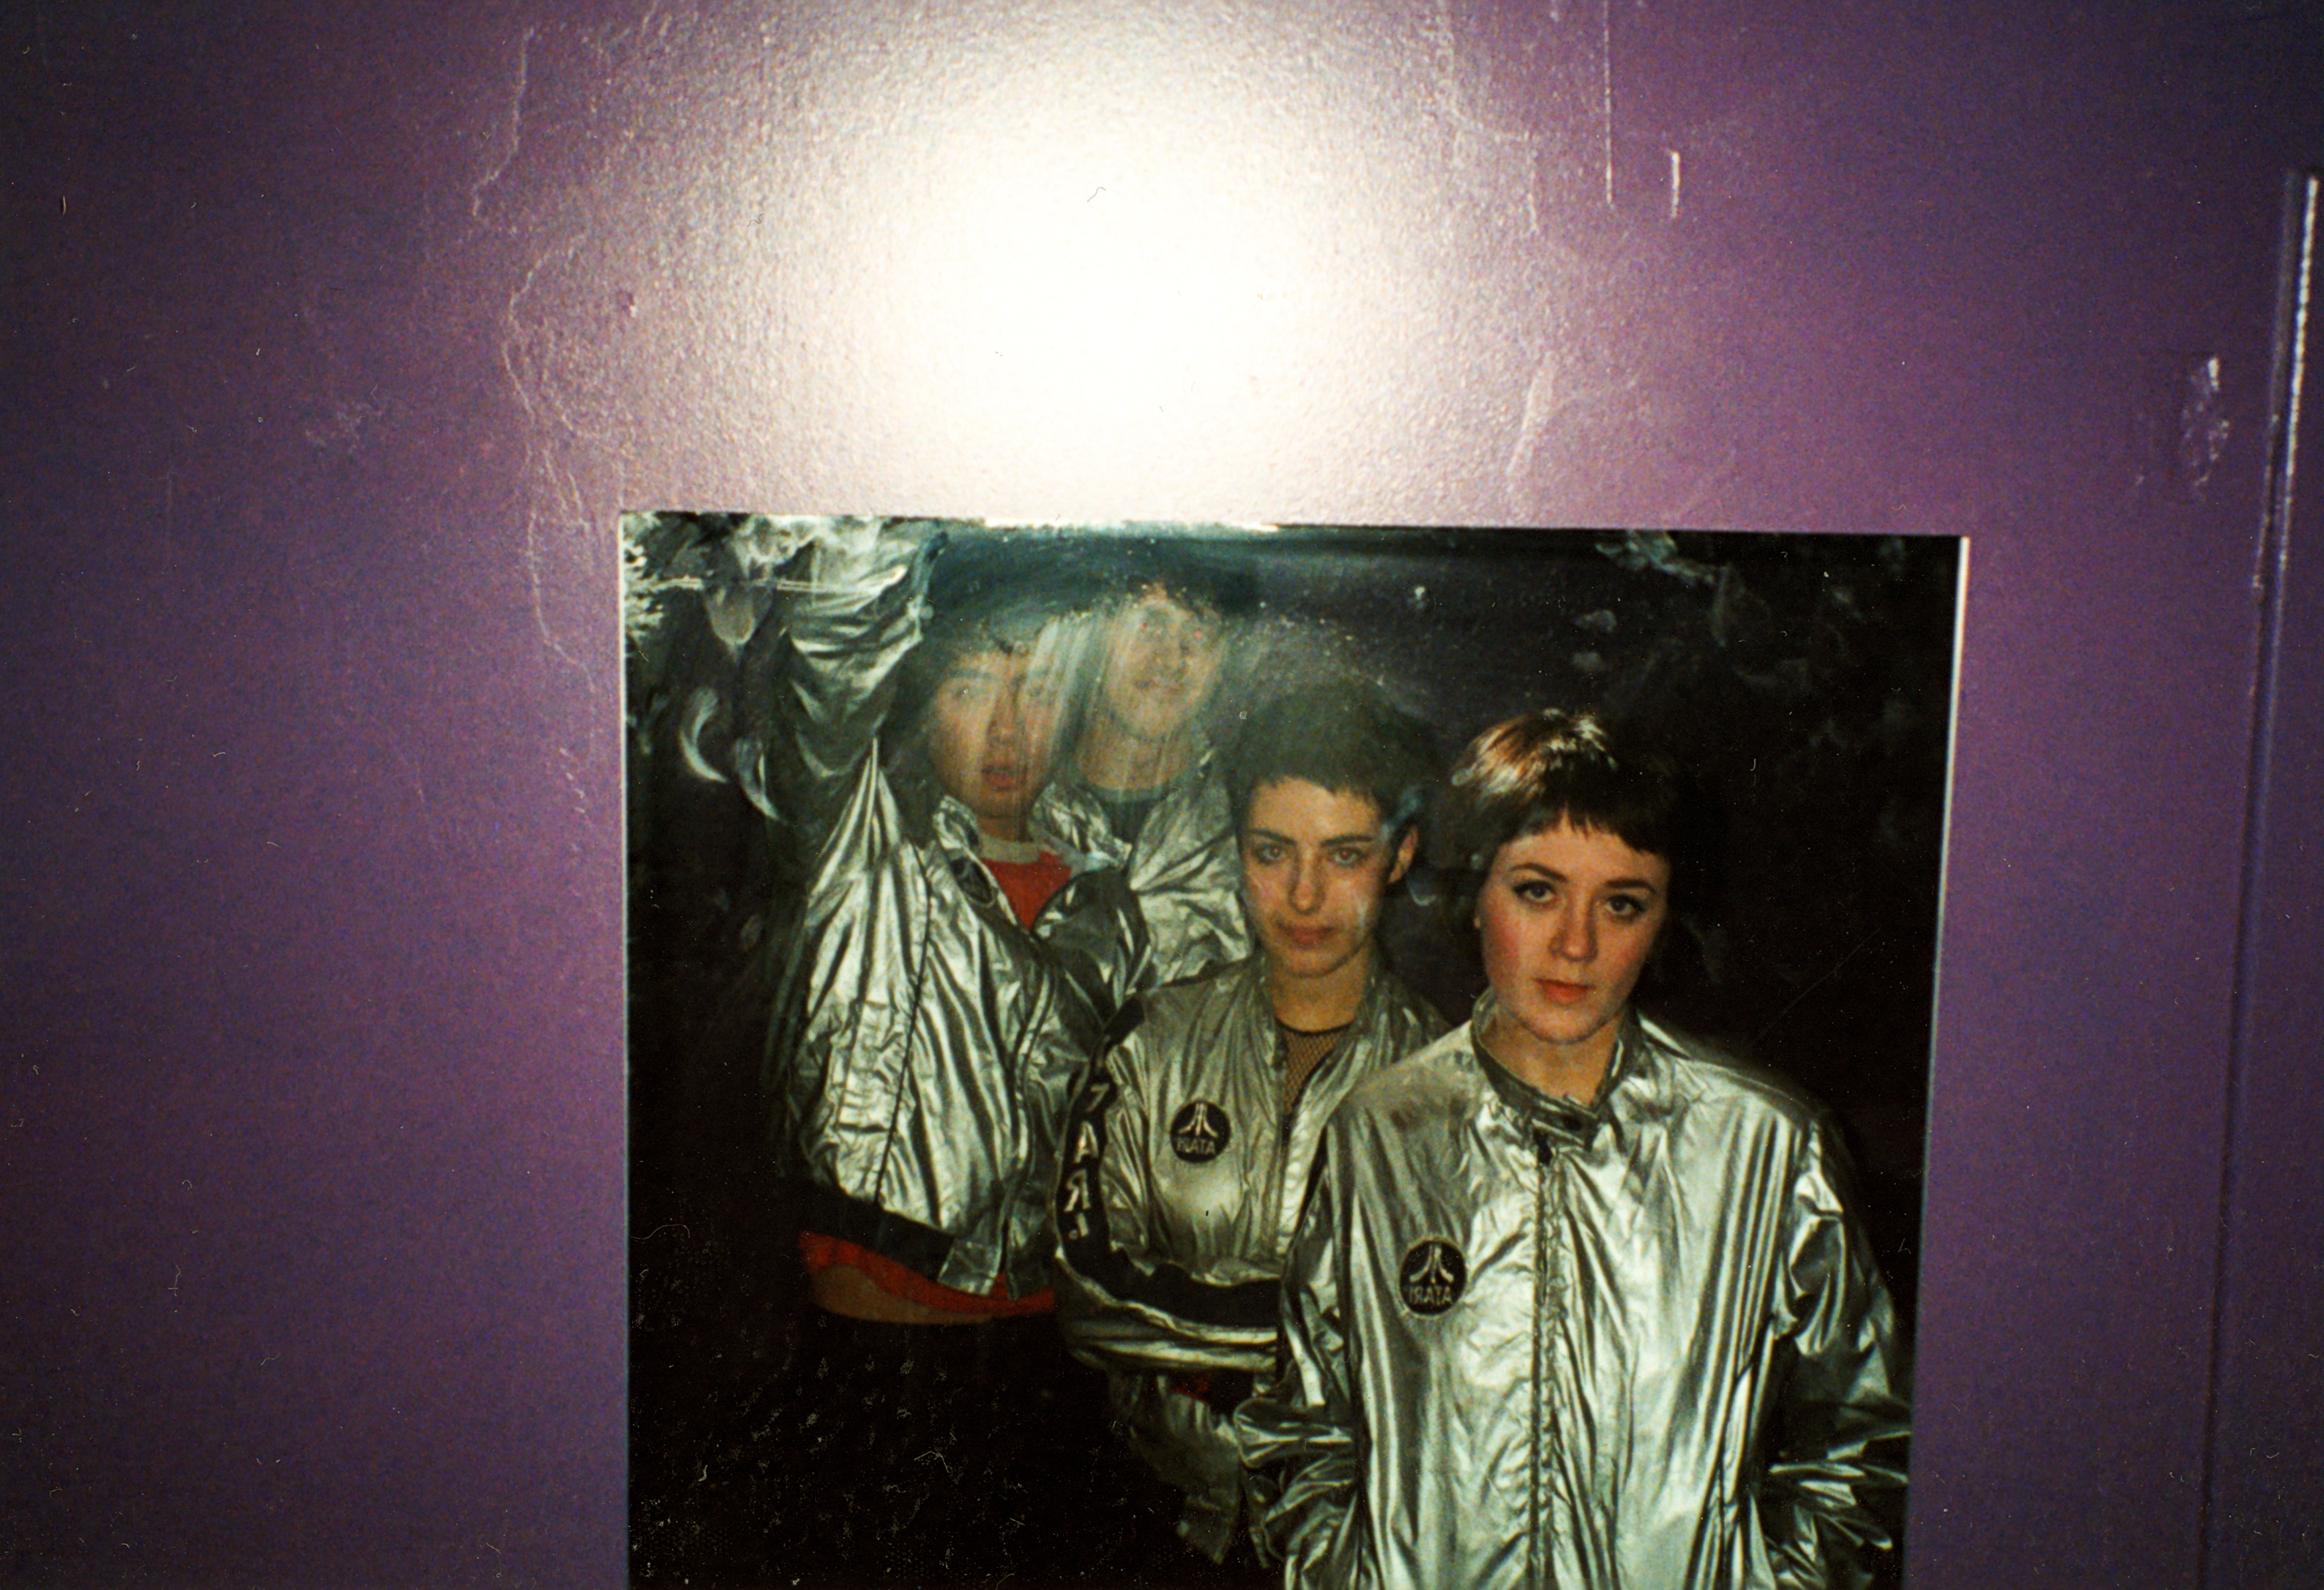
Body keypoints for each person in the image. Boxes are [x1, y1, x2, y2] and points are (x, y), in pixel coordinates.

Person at [1237, 708, 1910, 1589]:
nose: (1576, 944)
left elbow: (1860, 1444)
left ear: (1664, 918)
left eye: (1621, 904)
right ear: (1471, 894)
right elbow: (1302, 1433)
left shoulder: (1765, 1148)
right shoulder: (1378, 1137)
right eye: (1536, 890)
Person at [744, 519, 1138, 1581]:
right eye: (972, 688)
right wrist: (860, 511)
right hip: (874, 1349)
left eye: (1039, 691)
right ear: (921, 702)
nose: (1008, 728)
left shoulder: (1110, 902)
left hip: (1044, 1357)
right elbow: (827, 660)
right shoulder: (860, 844)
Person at [1052, 680, 1451, 1567]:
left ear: (1398, 856)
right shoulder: (1151, 1040)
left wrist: (1206, 1340)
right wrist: (1314, 1329)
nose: (1303, 895)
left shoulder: (1450, 1086)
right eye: (1272, 852)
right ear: (1235, 853)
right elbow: (1082, 1285)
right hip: (1146, 1514)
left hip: (1356, 1535)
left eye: (1342, 855)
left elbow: (1441, 1330)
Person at [1034, 539, 1262, 992]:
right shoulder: (1020, 804)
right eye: (1149, 624)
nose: (1170, 659)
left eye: (1199, 634)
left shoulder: (1252, 820)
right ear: (1095, 630)